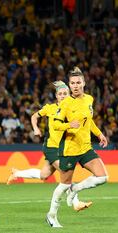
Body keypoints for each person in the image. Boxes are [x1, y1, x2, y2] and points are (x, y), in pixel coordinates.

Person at [7, 81, 93, 211]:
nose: (63, 95)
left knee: (44, 175)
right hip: (51, 147)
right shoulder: (50, 108)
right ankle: (76, 203)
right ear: (56, 96)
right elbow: (34, 116)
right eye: (60, 94)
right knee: (65, 173)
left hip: (64, 148)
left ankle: (17, 173)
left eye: (65, 93)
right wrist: (35, 128)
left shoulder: (72, 110)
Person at [46, 67, 108, 227]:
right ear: (69, 84)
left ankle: (75, 189)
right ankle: (51, 215)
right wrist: (68, 125)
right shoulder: (65, 103)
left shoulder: (89, 99)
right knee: (64, 184)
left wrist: (99, 133)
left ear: (84, 83)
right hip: (69, 149)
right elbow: (55, 124)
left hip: (86, 147)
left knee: (102, 177)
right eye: (72, 83)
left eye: (78, 82)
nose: (75, 85)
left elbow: (89, 120)